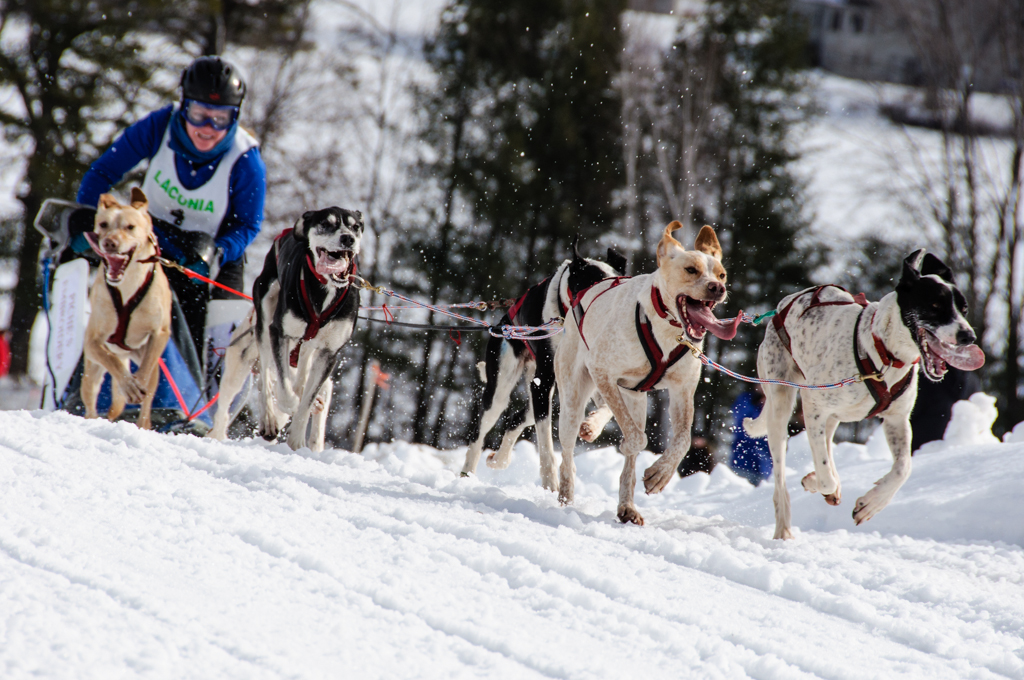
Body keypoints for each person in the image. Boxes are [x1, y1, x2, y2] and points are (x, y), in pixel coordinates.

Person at [74, 55, 266, 355]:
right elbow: (103, 172)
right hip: (154, 237)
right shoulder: (159, 125)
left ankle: (200, 385)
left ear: (235, 116)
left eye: (220, 119)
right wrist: (87, 216)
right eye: (199, 113)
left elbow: (248, 224)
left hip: (210, 251)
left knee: (214, 329)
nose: (207, 127)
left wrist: (219, 251)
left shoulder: (246, 160)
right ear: (183, 105)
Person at [910, 366, 982, 453]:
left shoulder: (926, 378)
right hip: (959, 451)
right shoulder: (972, 380)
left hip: (920, 450)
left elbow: (909, 413)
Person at [729, 388, 773, 486]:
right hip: (743, 461)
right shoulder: (747, 398)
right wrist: (759, 406)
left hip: (765, 466)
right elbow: (744, 423)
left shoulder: (773, 401)